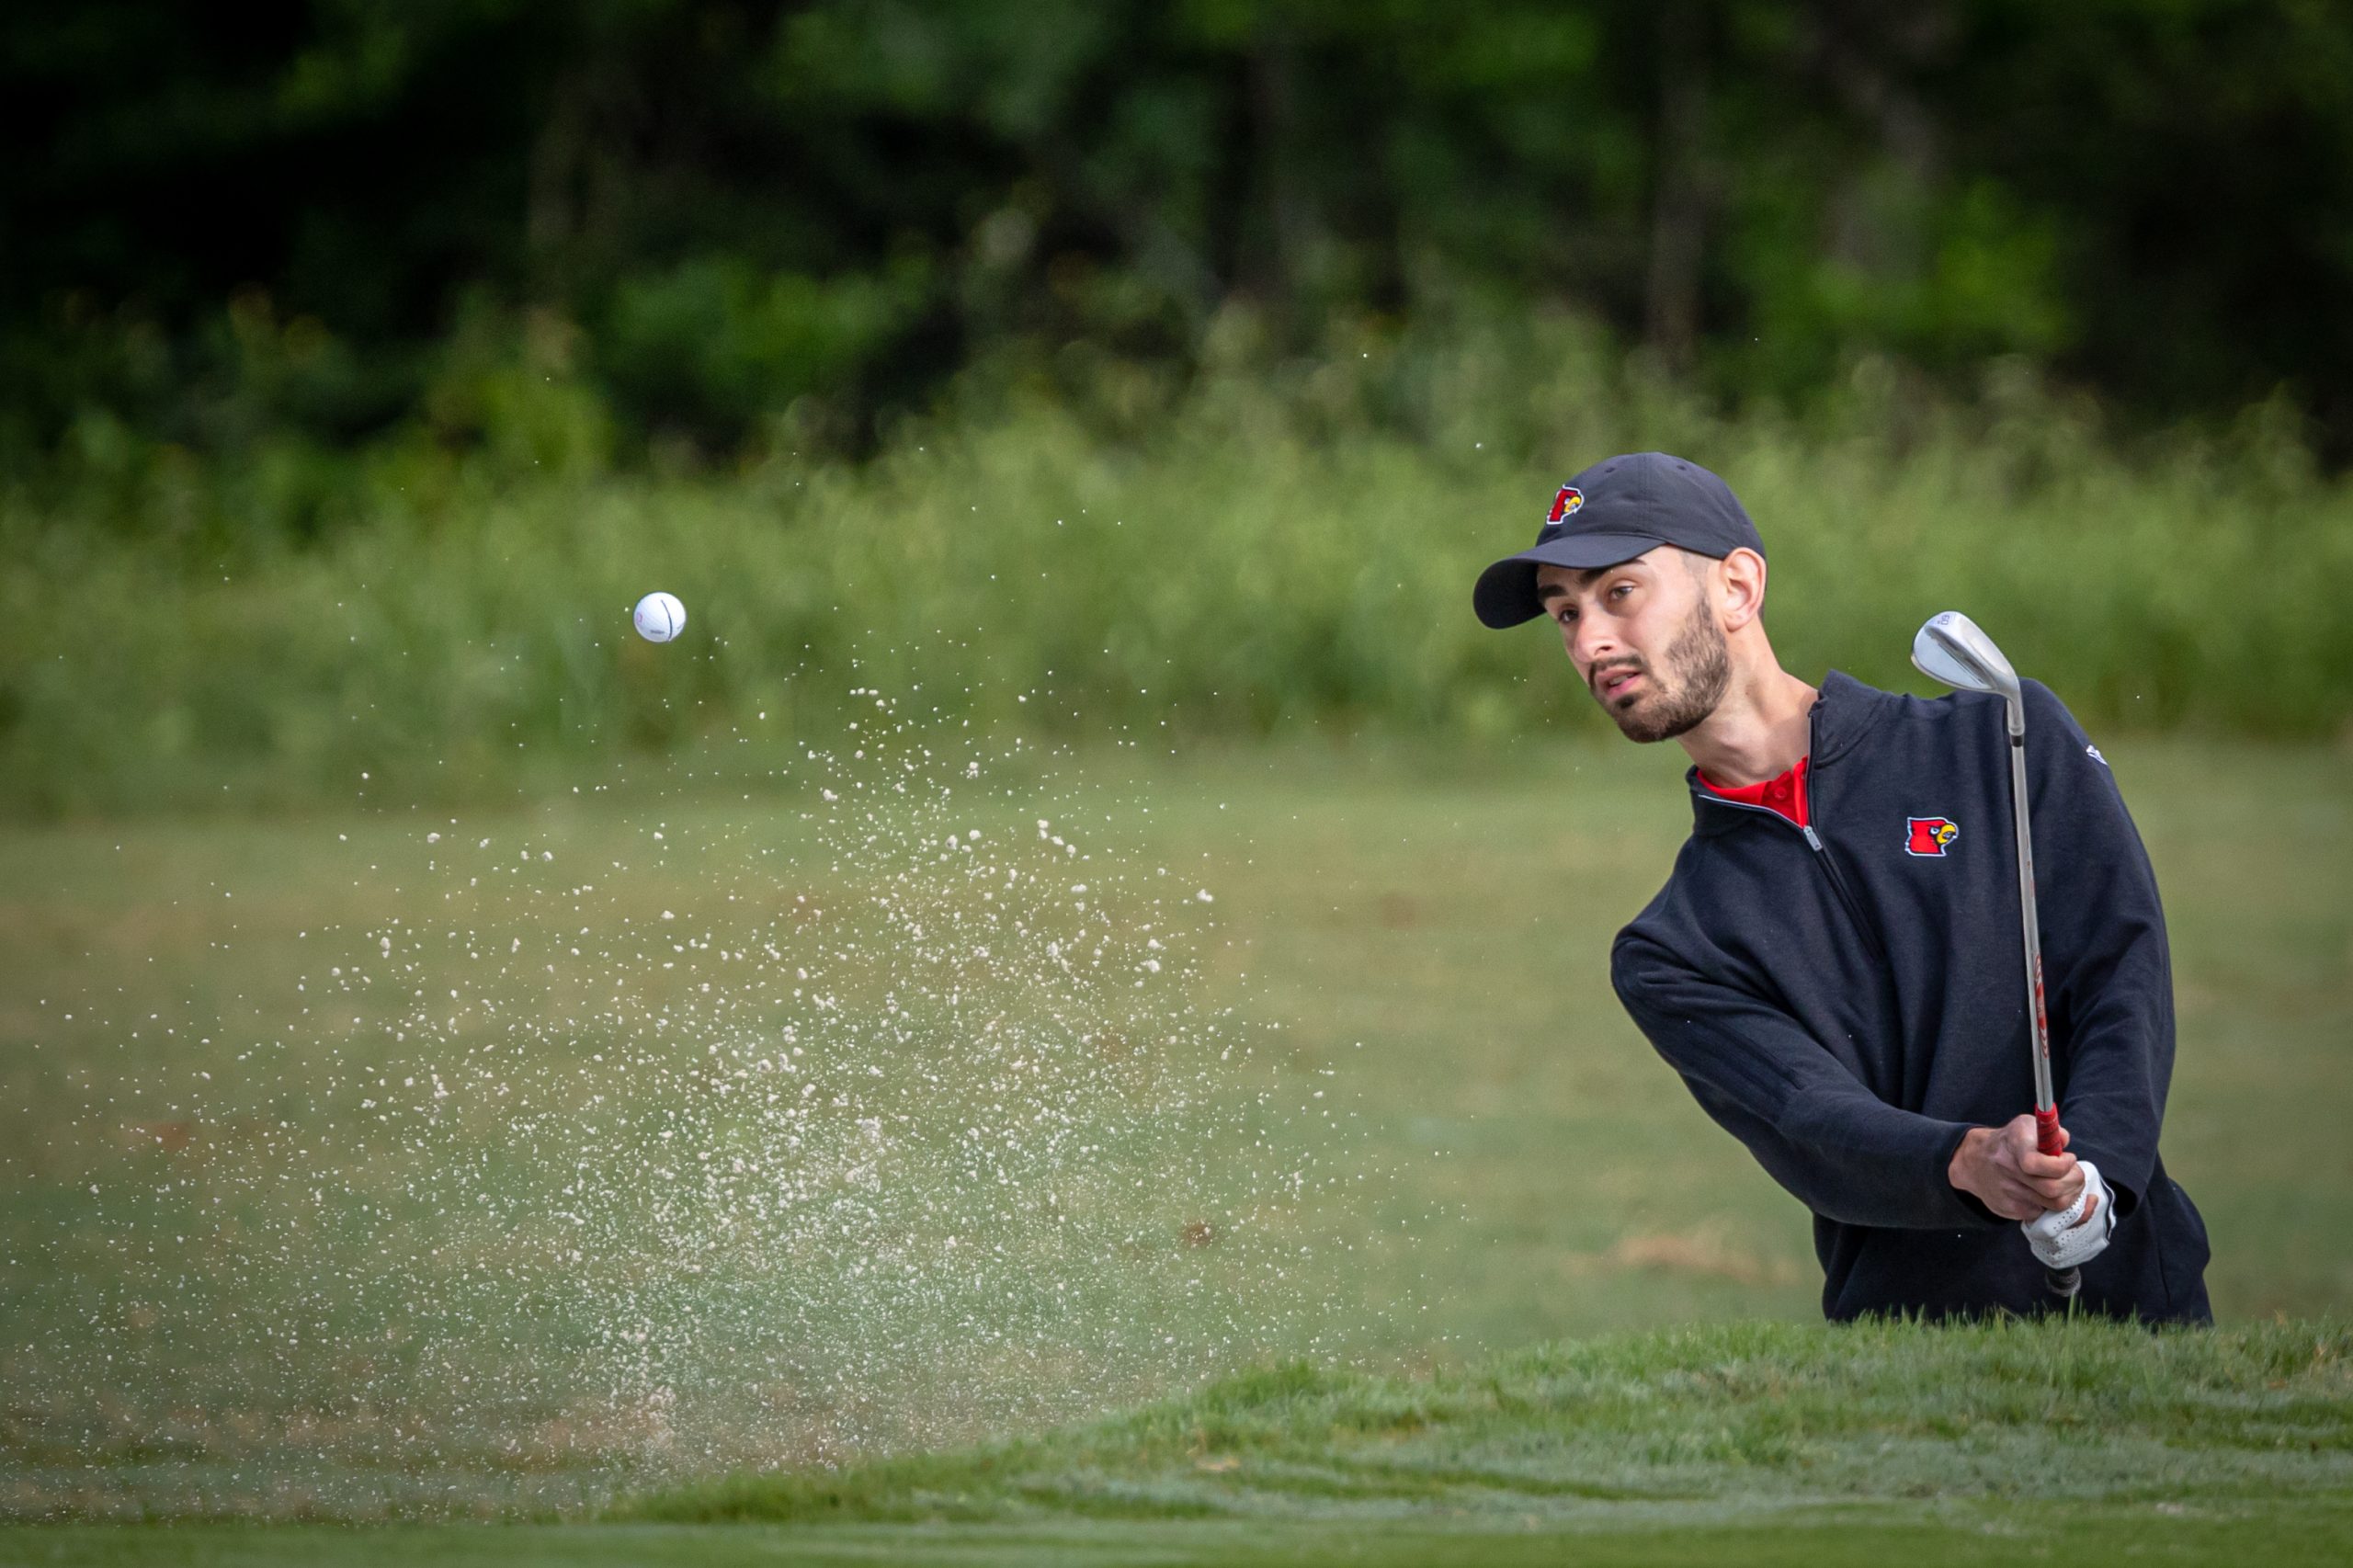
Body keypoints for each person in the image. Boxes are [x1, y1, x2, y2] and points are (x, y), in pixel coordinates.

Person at [1472, 452, 2211, 1322]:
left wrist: (2101, 1176)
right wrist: (1971, 1162)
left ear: (1738, 588)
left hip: (2141, 1307)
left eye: (1619, 593)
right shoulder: (1672, 949)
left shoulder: (2003, 740)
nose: (1589, 642)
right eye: (1566, 613)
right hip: (1907, 1353)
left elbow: (2122, 971)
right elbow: (1811, 1121)